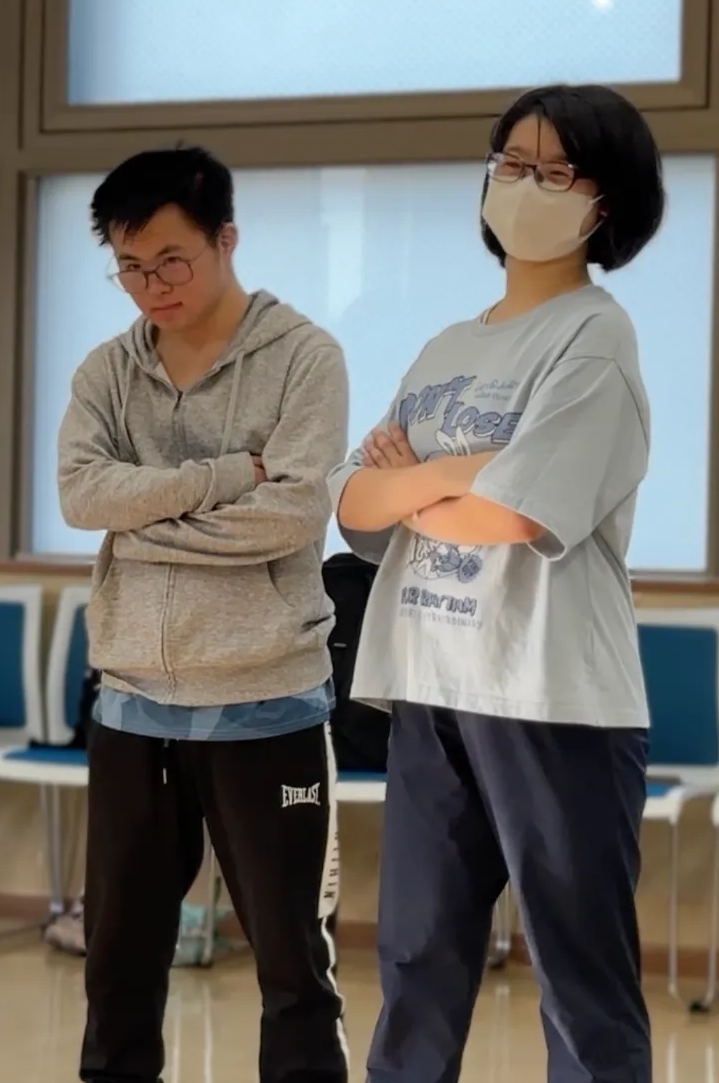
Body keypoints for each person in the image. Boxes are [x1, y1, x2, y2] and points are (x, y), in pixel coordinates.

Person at [331, 83, 661, 1083]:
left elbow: (517, 515)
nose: (525, 185)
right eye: (512, 163)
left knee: (579, 975)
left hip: (549, 694)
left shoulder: (593, 335)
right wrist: (458, 476)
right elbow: (352, 506)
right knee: (415, 960)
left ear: (604, 203)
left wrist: (416, 483)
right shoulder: (448, 346)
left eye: (556, 171)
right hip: (430, 681)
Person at [56, 145, 352, 1083]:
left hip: (267, 700)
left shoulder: (304, 358)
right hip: (133, 703)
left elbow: (293, 515)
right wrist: (222, 478)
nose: (153, 287)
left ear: (227, 240)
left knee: (293, 965)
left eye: (171, 261)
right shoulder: (107, 371)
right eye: (130, 267)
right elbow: (80, 495)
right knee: (117, 962)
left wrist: (142, 523)